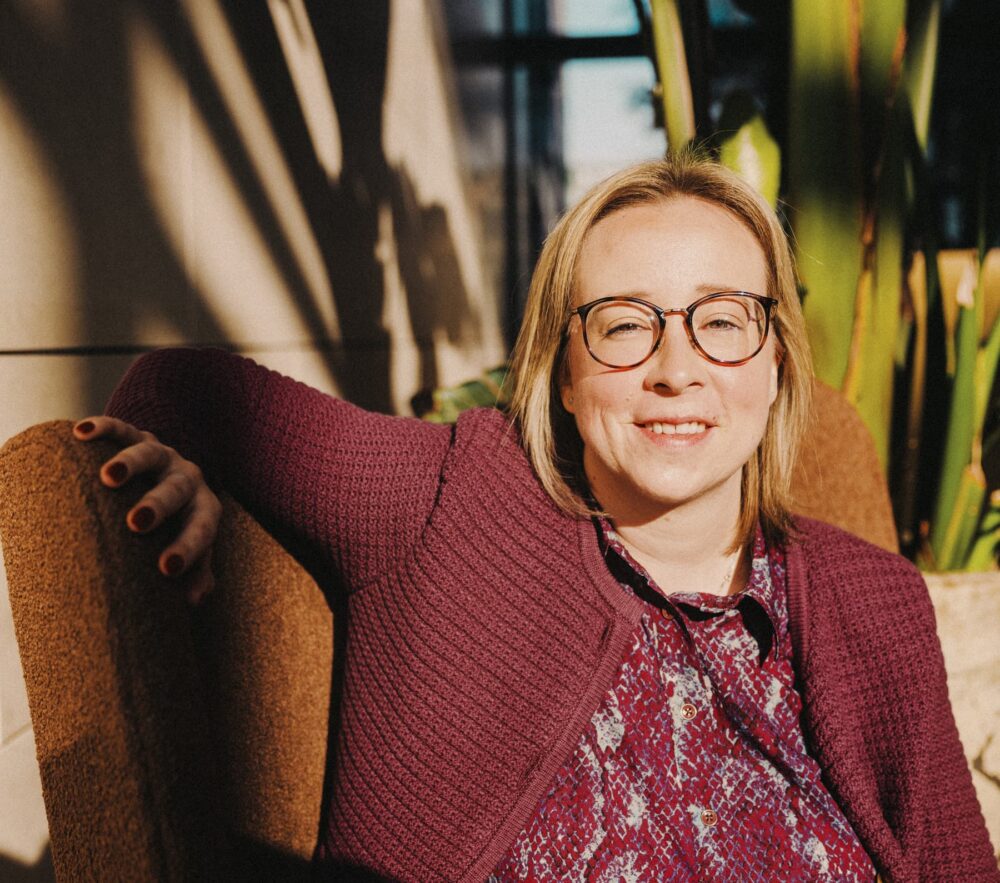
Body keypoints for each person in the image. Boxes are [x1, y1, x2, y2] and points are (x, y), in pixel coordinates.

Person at [72, 155, 998, 882]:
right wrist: (185, 470)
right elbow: (179, 384)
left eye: (722, 320)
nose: (677, 369)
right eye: (625, 324)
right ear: (563, 372)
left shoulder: (875, 596)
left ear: (776, 362)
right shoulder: (455, 499)